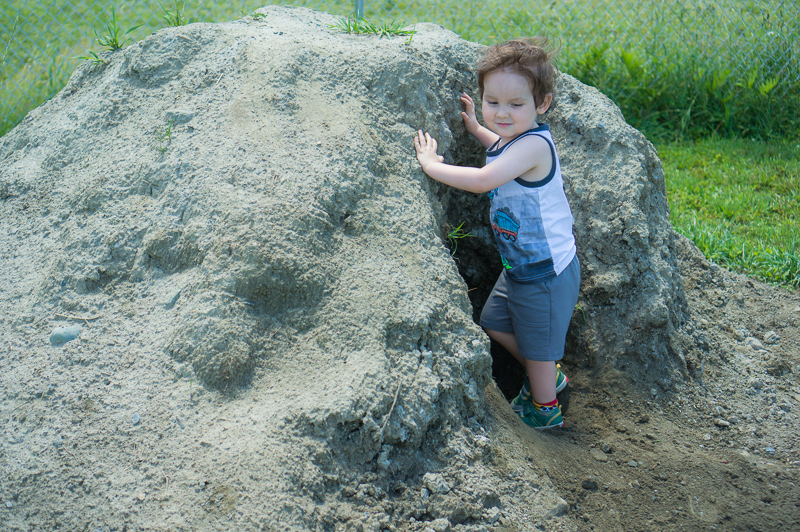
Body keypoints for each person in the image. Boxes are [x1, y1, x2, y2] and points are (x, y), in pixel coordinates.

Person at [413, 38, 580, 429]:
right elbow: (502, 149)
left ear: (543, 105)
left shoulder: (536, 145)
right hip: (519, 267)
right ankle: (549, 378)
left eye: (515, 105)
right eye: (493, 102)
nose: (502, 114)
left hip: (546, 273)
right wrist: (475, 127)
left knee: (538, 350)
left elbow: (485, 179)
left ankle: (544, 410)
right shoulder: (513, 139)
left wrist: (431, 165)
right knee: (493, 321)